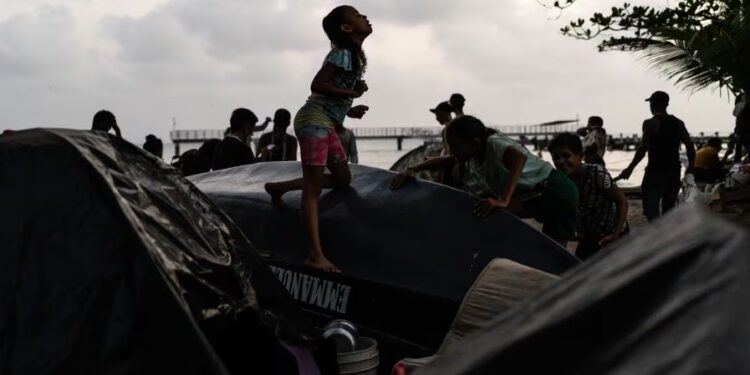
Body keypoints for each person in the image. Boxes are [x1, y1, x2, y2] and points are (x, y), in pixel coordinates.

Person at [264, 5, 372, 272]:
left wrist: (350, 108)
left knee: (342, 179)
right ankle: (315, 254)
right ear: (346, 28)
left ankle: (279, 188)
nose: (364, 17)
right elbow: (317, 85)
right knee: (312, 189)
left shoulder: (353, 56)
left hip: (325, 123)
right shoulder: (343, 54)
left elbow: (330, 96)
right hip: (313, 121)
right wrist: (352, 96)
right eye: (357, 15)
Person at [391, 116, 579, 246]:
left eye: (456, 146)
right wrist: (414, 168)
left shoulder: (493, 143)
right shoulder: (474, 154)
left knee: (491, 210)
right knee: (555, 255)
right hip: (557, 191)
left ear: (474, 143)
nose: (453, 151)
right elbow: (448, 160)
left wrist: (504, 199)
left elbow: (518, 158)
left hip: (553, 189)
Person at [616, 91, 696, 221]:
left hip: (655, 172)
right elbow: (690, 145)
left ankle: (657, 232)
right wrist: (691, 167)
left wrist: (630, 169)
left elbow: (643, 148)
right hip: (674, 172)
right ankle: (664, 234)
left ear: (652, 104)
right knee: (668, 209)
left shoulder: (650, 123)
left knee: (650, 209)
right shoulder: (678, 122)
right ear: (667, 104)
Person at [548, 133, 628, 260]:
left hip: (614, 232)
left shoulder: (598, 173)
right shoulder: (561, 179)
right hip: (590, 235)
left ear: (580, 156)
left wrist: (615, 235)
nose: (560, 161)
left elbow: (622, 201)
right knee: (580, 266)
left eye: (566, 156)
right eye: (555, 158)